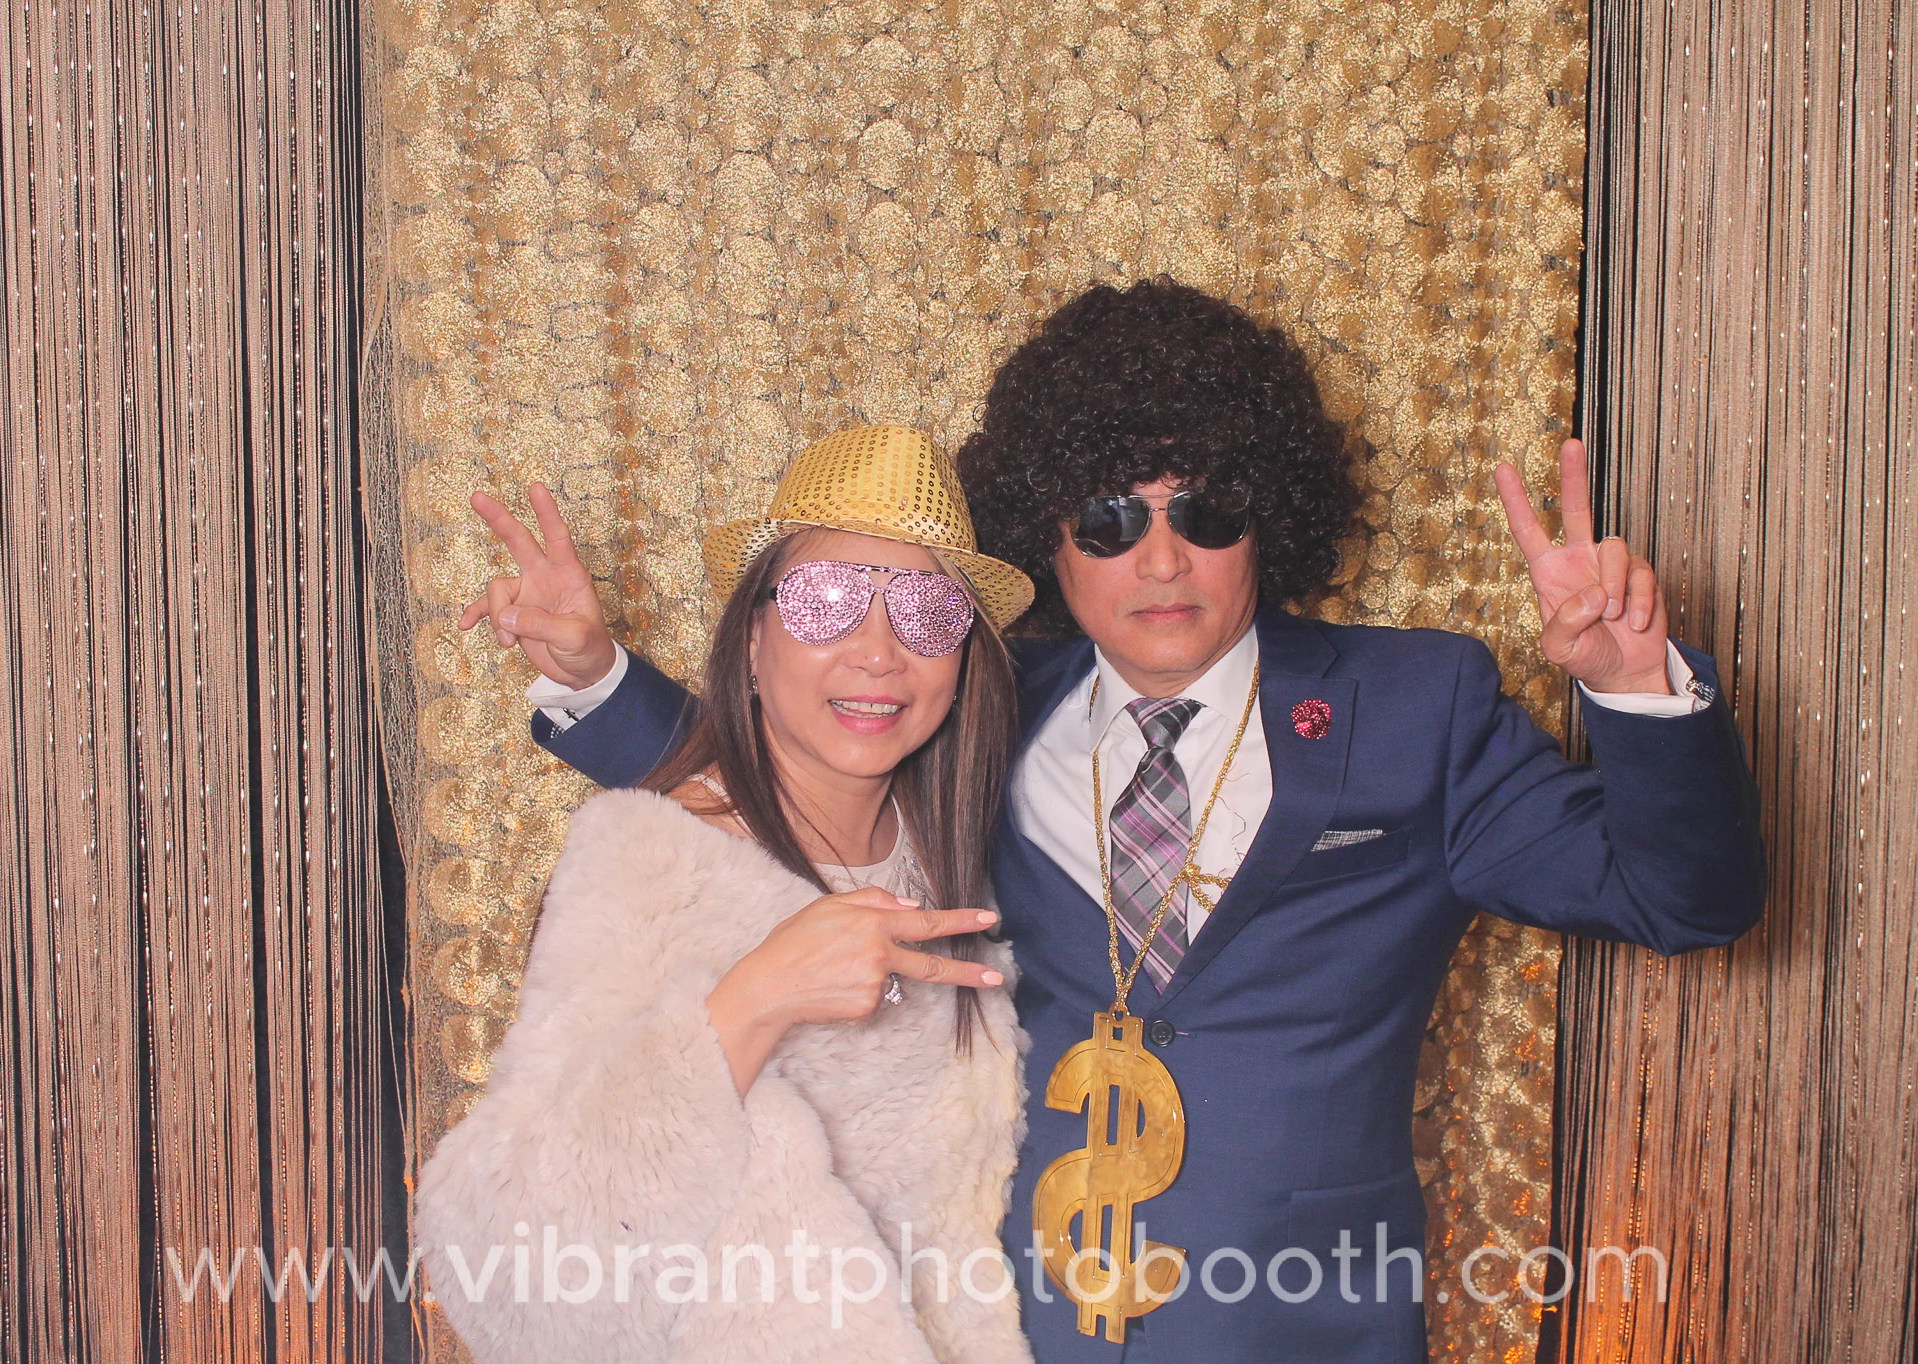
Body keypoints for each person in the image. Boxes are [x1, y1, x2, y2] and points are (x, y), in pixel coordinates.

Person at [488, 280, 1766, 1362]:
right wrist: (597, 677)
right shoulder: (977, 703)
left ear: (1266, 517)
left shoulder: (1415, 705)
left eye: (1202, 511)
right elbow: (798, 760)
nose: (1159, 559)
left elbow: (1684, 896)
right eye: (1108, 518)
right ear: (1048, 538)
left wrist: (1630, 690)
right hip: (1011, 1333)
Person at [415, 426, 1039, 1364]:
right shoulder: (652, 866)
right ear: (752, 637)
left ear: (964, 659)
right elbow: (518, 1277)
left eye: (926, 611)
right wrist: (749, 1003)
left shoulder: (949, 855)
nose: (879, 652)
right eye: (826, 603)